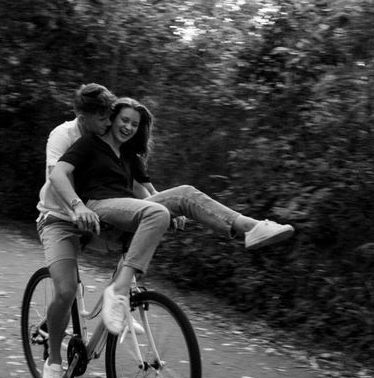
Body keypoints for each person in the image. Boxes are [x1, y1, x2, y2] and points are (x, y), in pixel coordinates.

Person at [51, 96, 294, 356]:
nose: (129, 127)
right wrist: (78, 206)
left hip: (125, 209)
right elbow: (58, 173)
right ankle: (118, 290)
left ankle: (252, 227)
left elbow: (148, 191)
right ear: (111, 120)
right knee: (157, 212)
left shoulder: (130, 156)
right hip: (98, 206)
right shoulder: (89, 143)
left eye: (134, 124)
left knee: (185, 194)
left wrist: (172, 208)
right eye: (124, 120)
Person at [36, 83, 116, 378]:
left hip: (92, 220)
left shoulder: (105, 140)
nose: (108, 122)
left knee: (137, 250)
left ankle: (121, 304)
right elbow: (57, 178)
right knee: (67, 290)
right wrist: (76, 207)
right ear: (82, 116)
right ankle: (54, 362)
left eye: (109, 115)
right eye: (101, 117)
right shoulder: (62, 136)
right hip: (57, 220)